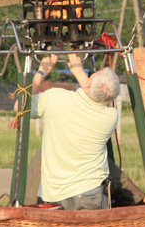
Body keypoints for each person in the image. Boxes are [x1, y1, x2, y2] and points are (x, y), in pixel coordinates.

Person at [29, 52, 120, 210]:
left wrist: (41, 72)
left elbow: (20, 107)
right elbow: (96, 93)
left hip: (57, 194)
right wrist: (78, 71)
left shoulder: (56, 99)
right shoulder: (111, 116)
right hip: (92, 193)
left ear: (88, 84)